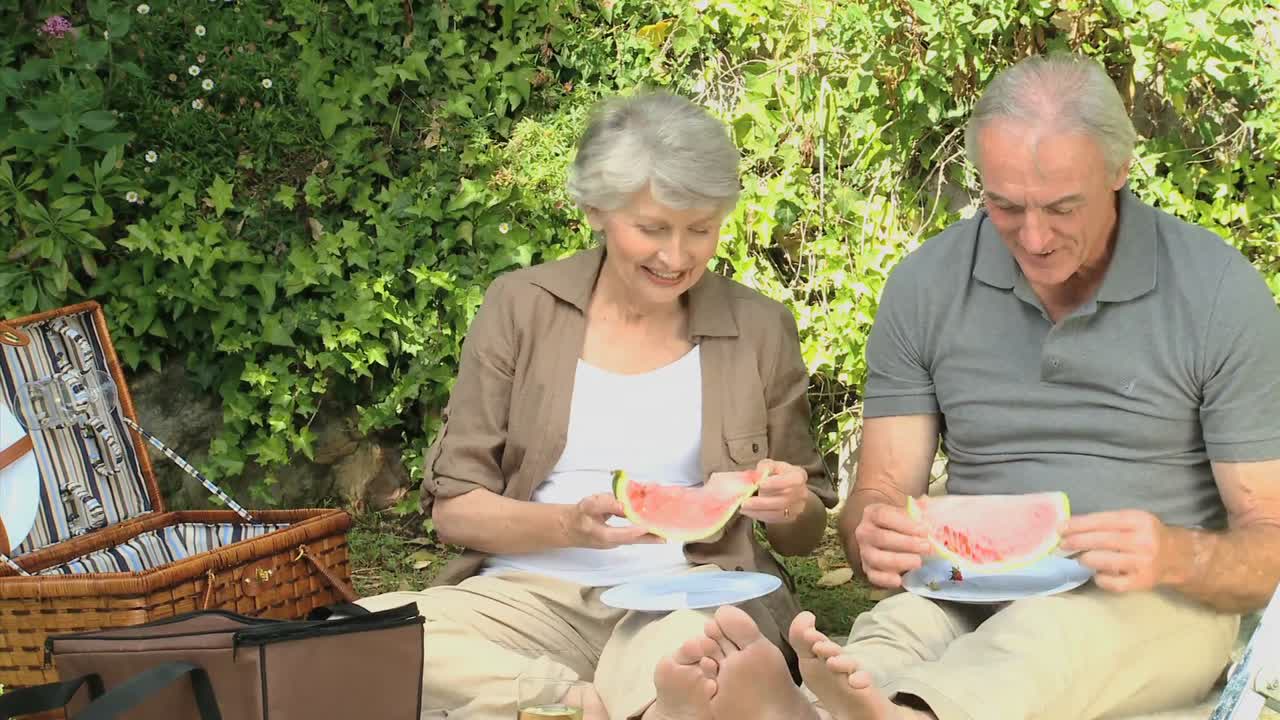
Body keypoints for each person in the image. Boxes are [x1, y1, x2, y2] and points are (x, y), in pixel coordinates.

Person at [648, 52, 1280, 720]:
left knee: (1043, 639)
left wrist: (1178, 555)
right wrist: (873, 537)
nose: (1033, 237)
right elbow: (878, 496)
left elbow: (1268, 540)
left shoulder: (1217, 293)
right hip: (966, 585)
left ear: (1120, 169)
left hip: (1158, 606)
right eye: (1004, 205)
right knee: (893, 633)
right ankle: (799, 707)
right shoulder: (928, 285)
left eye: (1063, 207)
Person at [355, 90, 837, 720]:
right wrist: (570, 527)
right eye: (652, 228)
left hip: (688, 598)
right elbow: (455, 513)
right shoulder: (519, 307)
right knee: (352, 638)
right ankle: (574, 701)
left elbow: (803, 535)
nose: (677, 257)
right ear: (595, 210)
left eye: (700, 229)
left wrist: (792, 503)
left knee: (705, 660)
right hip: (526, 596)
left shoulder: (760, 327)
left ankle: (553, 702)